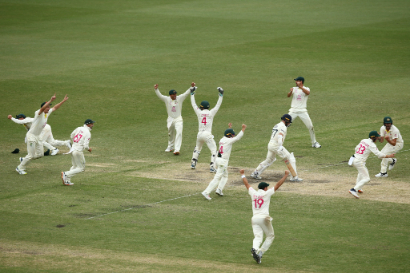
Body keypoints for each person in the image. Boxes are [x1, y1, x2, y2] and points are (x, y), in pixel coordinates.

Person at [239, 169, 289, 264]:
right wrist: (285, 175)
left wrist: (242, 174)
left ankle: (255, 249)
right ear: (265, 188)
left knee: (258, 237)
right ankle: (260, 252)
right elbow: (278, 185)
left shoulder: (253, 193)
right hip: (264, 218)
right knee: (270, 236)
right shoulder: (266, 193)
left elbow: (247, 184)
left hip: (254, 219)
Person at [14, 94, 69, 174]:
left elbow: (55, 108)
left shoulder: (47, 113)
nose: (49, 108)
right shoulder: (38, 113)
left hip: (38, 136)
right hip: (31, 136)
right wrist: (50, 100)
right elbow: (42, 109)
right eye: (47, 107)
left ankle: (24, 160)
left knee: (40, 154)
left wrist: (63, 101)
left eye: (49, 107)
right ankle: (20, 167)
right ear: (43, 108)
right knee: (31, 155)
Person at [251, 114, 302, 182]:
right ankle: (294, 177)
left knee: (269, 160)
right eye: (289, 122)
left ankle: (255, 173)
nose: (289, 124)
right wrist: (280, 146)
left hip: (270, 144)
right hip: (276, 145)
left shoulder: (277, 125)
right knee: (290, 158)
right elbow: (280, 136)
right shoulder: (283, 127)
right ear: (286, 120)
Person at [201, 123, 246, 199]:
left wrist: (229, 128)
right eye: (232, 134)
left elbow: (229, 136)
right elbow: (237, 138)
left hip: (218, 160)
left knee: (225, 176)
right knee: (217, 177)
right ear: (229, 135)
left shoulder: (222, 139)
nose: (233, 135)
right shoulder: (228, 141)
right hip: (223, 162)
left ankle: (219, 189)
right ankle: (206, 192)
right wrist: (243, 129)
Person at [348, 131, 395, 198]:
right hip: (359, 162)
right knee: (367, 178)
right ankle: (353, 189)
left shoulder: (363, 140)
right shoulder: (372, 145)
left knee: (361, 173)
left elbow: (356, 148)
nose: (378, 138)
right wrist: (389, 156)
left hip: (353, 159)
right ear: (373, 137)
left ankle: (358, 188)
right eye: (377, 137)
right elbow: (379, 154)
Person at [154, 83, 196, 155]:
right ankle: (170, 146)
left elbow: (186, 93)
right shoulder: (167, 99)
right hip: (170, 119)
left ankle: (177, 149)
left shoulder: (179, 98)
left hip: (178, 118)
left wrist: (192, 87)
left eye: (175, 94)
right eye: (173, 95)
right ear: (170, 95)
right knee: (170, 133)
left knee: (179, 132)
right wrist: (156, 89)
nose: (175, 95)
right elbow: (160, 96)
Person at [190, 86, 224, 172]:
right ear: (208, 107)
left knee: (197, 148)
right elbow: (217, 105)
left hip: (200, 134)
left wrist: (192, 94)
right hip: (207, 135)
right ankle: (212, 167)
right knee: (214, 151)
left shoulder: (199, 112)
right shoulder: (211, 113)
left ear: (201, 107)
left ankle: (193, 163)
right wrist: (221, 95)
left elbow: (193, 104)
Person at [287, 76, 321, 148]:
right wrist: (290, 91)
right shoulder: (294, 88)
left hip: (303, 111)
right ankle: (277, 142)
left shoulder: (306, 88)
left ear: (301, 82)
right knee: (283, 125)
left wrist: (301, 87)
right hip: (293, 110)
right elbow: (288, 96)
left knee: (310, 126)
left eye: (297, 81)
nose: (296, 82)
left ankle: (314, 143)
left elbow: (307, 93)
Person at [61, 119, 95, 186]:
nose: (93, 125)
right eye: (91, 124)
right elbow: (85, 146)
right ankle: (66, 174)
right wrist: (89, 149)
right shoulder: (88, 133)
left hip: (73, 149)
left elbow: (71, 135)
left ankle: (67, 180)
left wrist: (76, 143)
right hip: (78, 151)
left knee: (75, 166)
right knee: (81, 168)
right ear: (88, 124)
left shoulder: (79, 128)